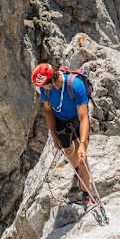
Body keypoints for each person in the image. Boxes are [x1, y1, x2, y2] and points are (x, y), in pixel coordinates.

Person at [31, 63, 94, 205]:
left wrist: (83, 145)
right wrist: (53, 134)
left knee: (82, 157)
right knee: (68, 150)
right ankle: (77, 170)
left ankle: (85, 194)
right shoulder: (45, 89)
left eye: (45, 85)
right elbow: (47, 110)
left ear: (53, 79)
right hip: (60, 120)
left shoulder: (75, 85)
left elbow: (84, 118)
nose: (43, 89)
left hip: (78, 119)